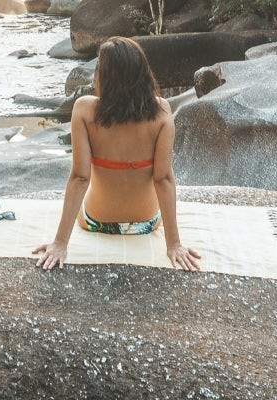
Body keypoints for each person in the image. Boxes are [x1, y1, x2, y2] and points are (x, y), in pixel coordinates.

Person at [33, 37, 202, 271]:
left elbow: (80, 178)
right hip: (146, 224)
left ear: (105, 76)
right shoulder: (161, 111)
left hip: (96, 222)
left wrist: (60, 243)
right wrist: (174, 244)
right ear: (142, 74)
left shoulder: (84, 109)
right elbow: (163, 179)